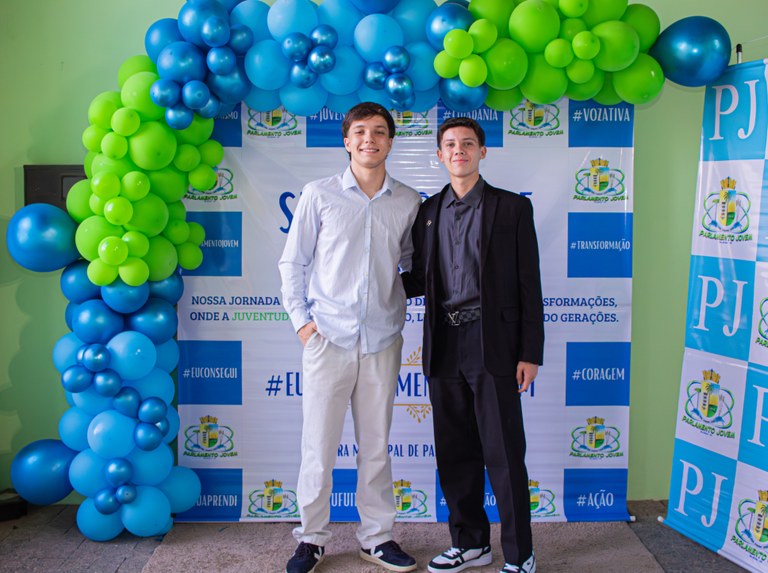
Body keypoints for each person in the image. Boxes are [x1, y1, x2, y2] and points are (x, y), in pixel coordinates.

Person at [278, 102, 422, 573]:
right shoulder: (318, 194)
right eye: (360, 131)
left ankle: (377, 538)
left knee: (376, 447)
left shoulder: (408, 200)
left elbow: (411, 263)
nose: (369, 140)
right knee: (318, 447)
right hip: (328, 339)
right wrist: (302, 322)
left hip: (382, 340)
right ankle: (311, 539)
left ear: (390, 142)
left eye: (379, 132)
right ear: (346, 141)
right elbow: (293, 261)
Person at [402, 117, 544, 573]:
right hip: (444, 341)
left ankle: (520, 555)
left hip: (494, 343)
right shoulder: (427, 212)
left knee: (503, 453)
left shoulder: (512, 208)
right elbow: (418, 279)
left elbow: (529, 283)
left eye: (467, 143)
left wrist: (530, 352)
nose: (458, 150)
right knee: (454, 451)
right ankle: (470, 543)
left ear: (482, 152)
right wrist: (362, 279)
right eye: (450, 144)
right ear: (440, 155)